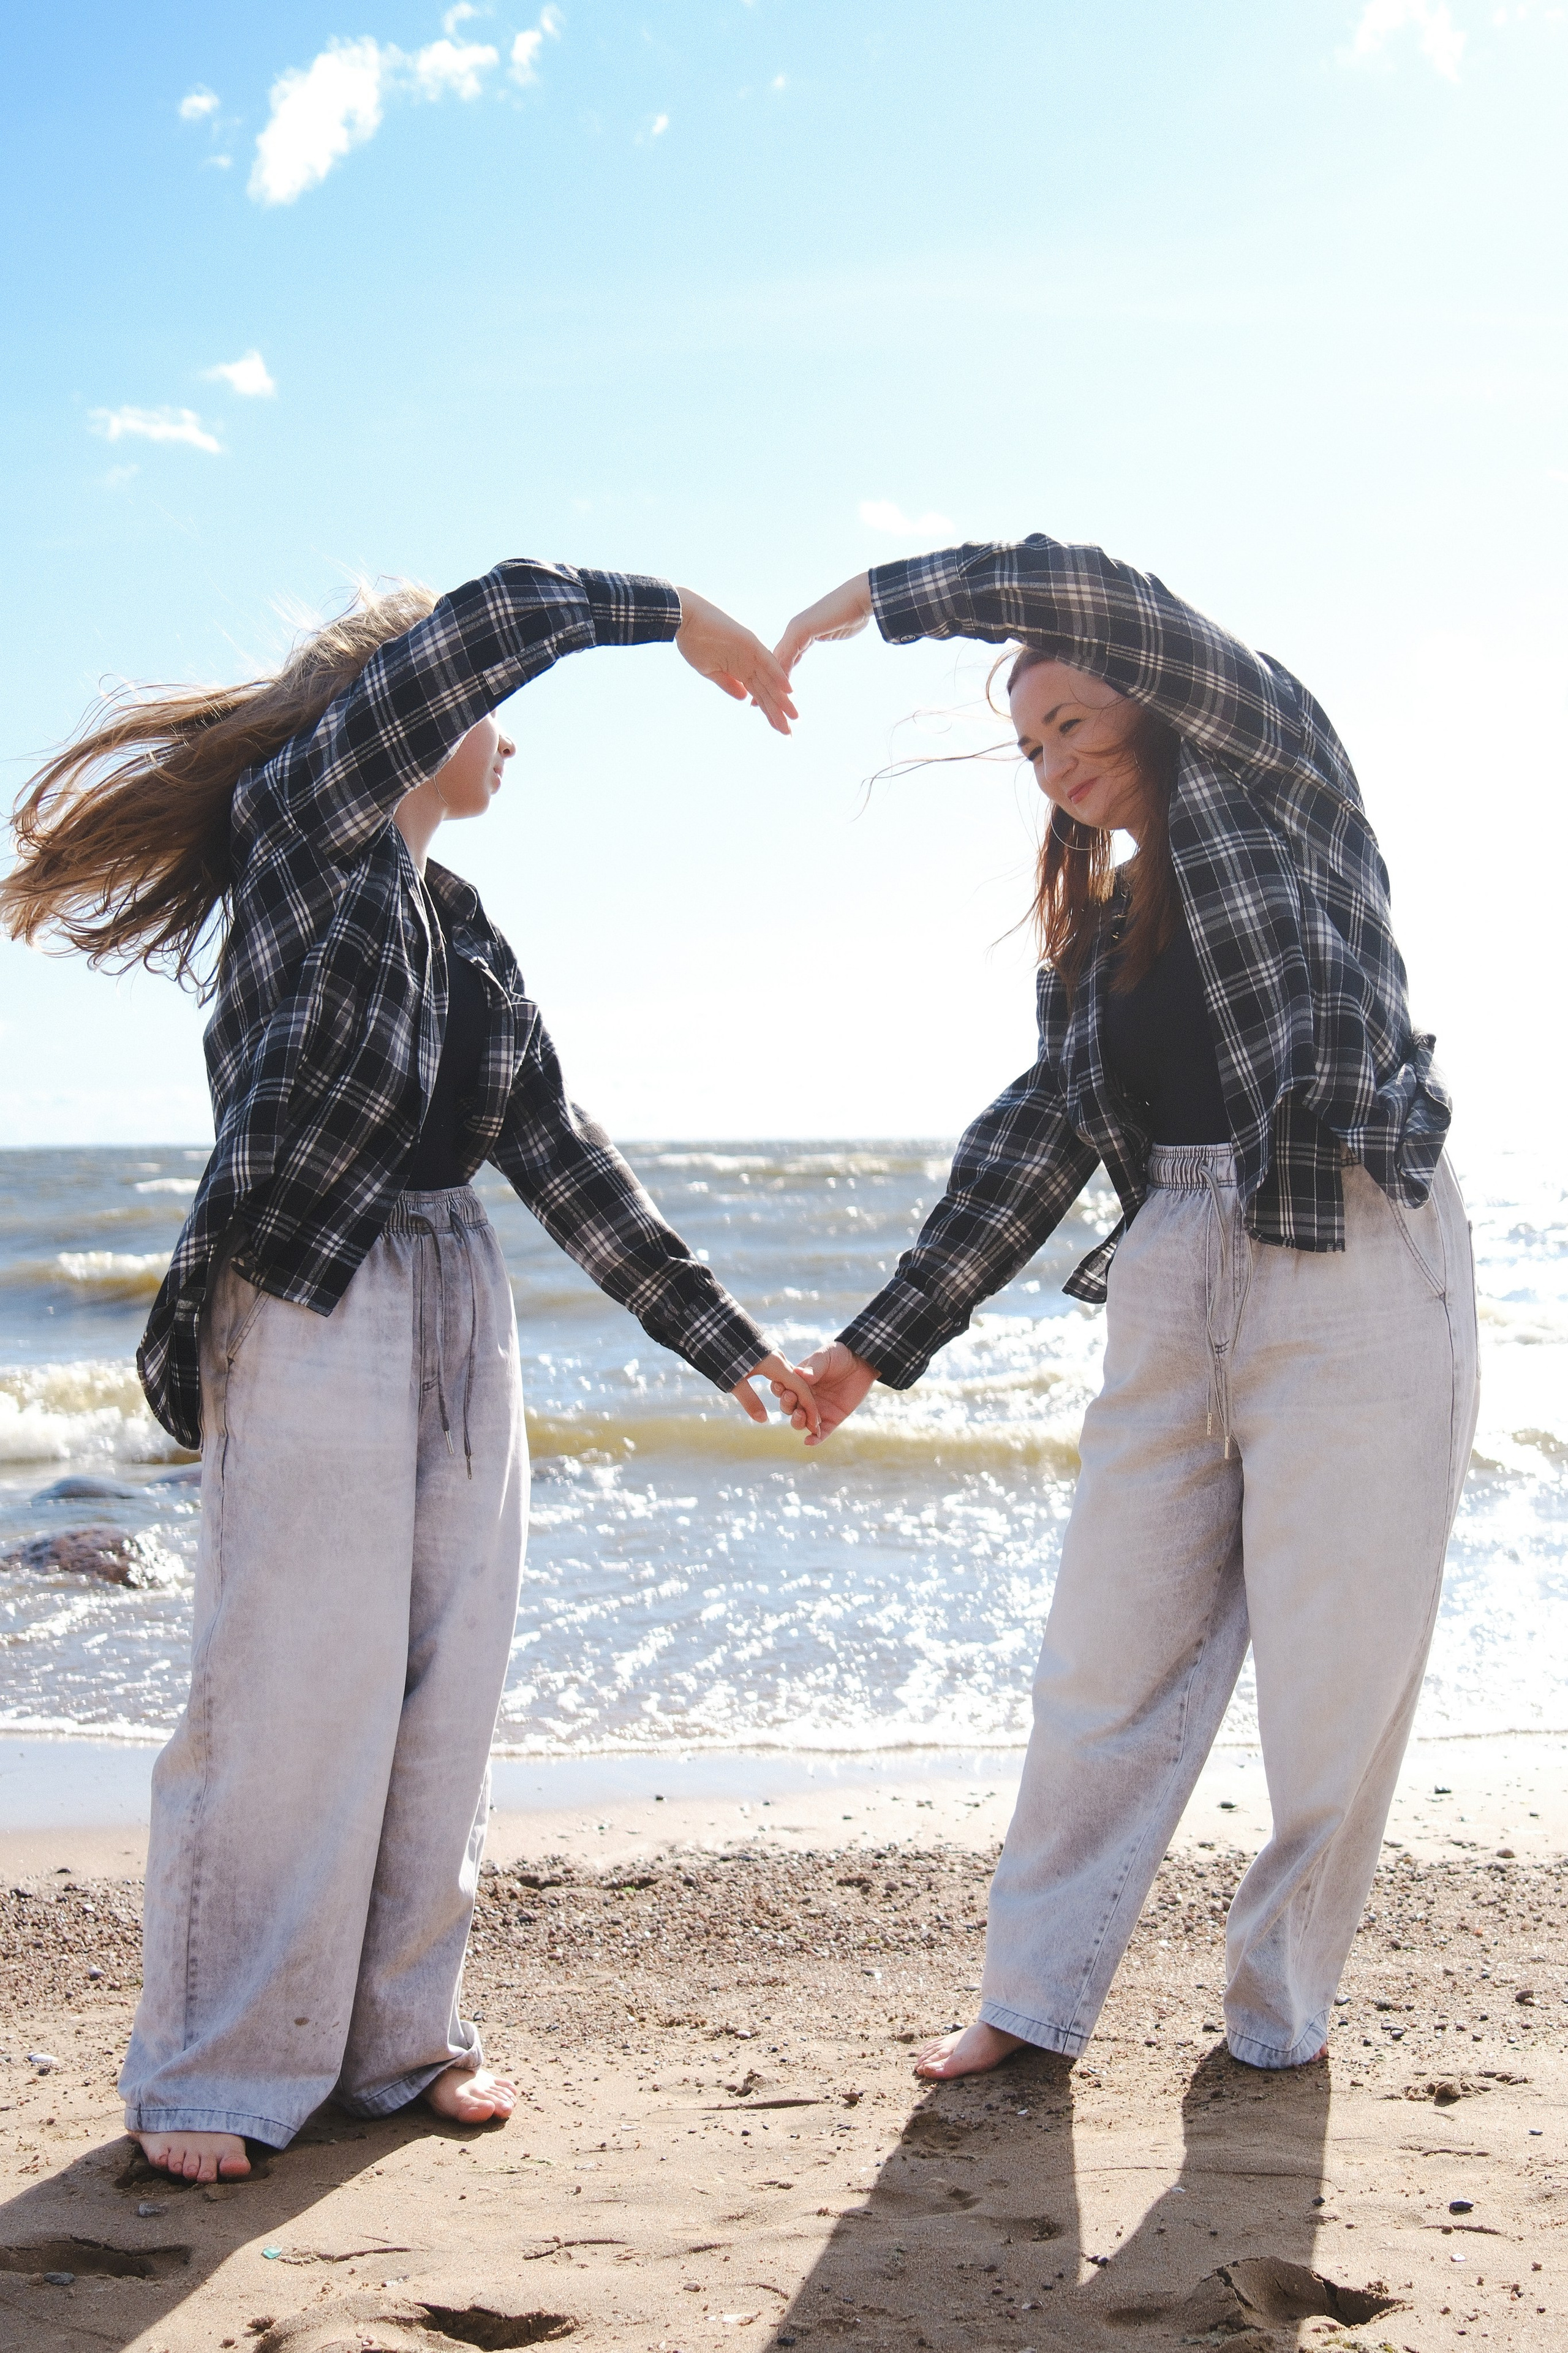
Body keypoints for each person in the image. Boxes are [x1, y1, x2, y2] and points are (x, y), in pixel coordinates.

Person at [2, 557, 818, 2181]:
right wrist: (680, 623)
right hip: (309, 1293)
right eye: (485, 713)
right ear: (419, 711)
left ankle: (393, 2042)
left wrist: (726, 1342)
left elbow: (560, 1152)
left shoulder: (468, 934)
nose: (508, 738)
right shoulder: (307, 831)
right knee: (292, 1690)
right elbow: (501, 607)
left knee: (447, 1690)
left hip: (459, 1301)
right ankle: (214, 2072)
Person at [769, 535, 1477, 2082]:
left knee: (1332, 1673)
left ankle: (1275, 2017)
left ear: (1156, 704)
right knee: (1102, 1655)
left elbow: (1100, 593)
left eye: (1074, 723)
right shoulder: (1094, 934)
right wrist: (870, 1348)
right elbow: (1032, 1142)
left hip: (1346, 1242)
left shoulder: (1283, 786)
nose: (1053, 763)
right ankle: (1029, 2004)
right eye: (1030, 747)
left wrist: (857, 606)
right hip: (1171, 1267)